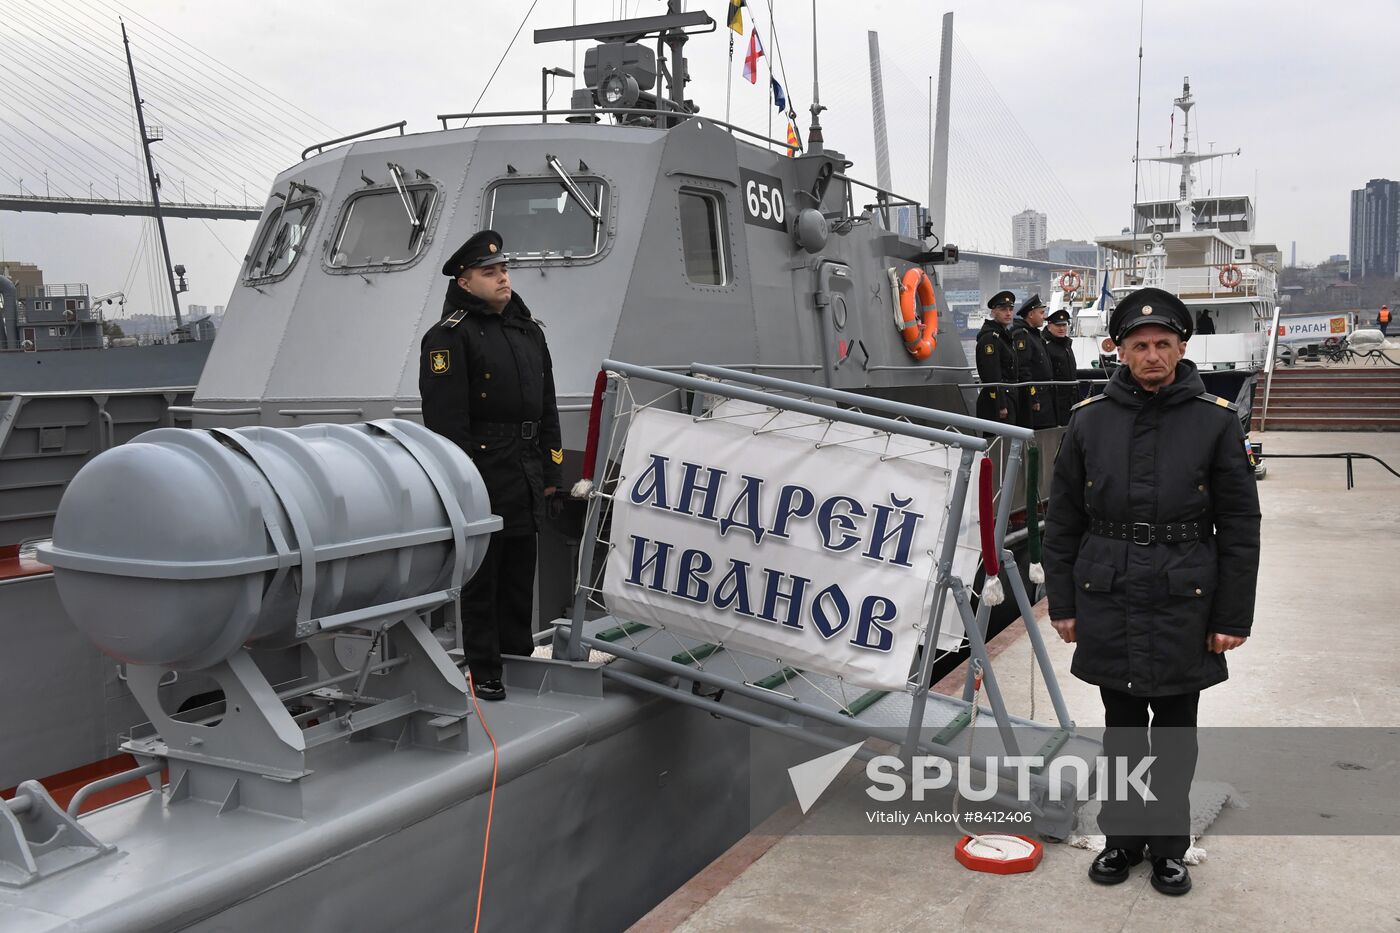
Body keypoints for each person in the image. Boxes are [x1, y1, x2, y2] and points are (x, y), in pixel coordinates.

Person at [1042, 287, 1261, 897]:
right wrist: (1062, 603)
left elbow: (1241, 526)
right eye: (1139, 345)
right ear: (1120, 350)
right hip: (1108, 590)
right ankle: (1121, 840)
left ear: (1181, 347)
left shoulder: (1215, 421)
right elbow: (1062, 523)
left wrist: (1233, 615)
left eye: (1163, 343)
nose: (1152, 355)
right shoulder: (1089, 421)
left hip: (1183, 597)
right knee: (1120, 730)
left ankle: (1167, 847)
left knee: (1172, 731)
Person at [420, 230, 563, 701]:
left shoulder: (528, 331)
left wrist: (551, 471)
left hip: (524, 468)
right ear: (464, 282)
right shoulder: (449, 337)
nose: (502, 278)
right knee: (484, 577)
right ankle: (485, 669)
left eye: (503, 270)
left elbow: (546, 408)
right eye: (490, 273)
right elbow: (446, 422)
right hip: (482, 468)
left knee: (521, 574)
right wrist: (465, 483)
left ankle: (518, 656)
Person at [975, 290, 1019, 428]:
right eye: (1003, 309)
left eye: (1010, 309)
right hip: (997, 400)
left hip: (1009, 396)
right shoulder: (990, 338)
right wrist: (1001, 405)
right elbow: (991, 374)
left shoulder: (1003, 337)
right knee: (999, 442)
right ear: (993, 312)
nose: (1008, 313)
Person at [1010, 293, 1055, 429]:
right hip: (1036, 396)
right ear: (1031, 314)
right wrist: (1033, 397)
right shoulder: (1022, 335)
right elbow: (1024, 368)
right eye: (1041, 313)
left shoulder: (1034, 335)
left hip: (1045, 394)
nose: (1044, 316)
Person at [1041, 307, 1079, 426]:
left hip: (1070, 397)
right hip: (1055, 399)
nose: (1062, 328)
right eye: (1058, 325)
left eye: (1064, 325)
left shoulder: (1066, 345)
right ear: (1049, 326)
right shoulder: (1046, 345)